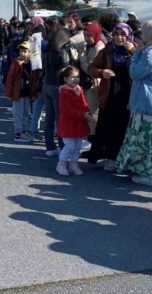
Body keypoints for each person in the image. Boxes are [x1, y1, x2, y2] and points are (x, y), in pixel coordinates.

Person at [116, 20, 152, 186]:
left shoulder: (150, 54)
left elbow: (134, 72)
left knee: (147, 142)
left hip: (148, 104)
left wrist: (135, 54)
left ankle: (149, 175)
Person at [87, 23, 135, 169]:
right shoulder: (107, 50)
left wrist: (133, 51)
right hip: (109, 93)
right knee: (107, 125)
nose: (119, 38)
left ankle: (120, 157)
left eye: (123, 35)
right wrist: (102, 72)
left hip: (128, 94)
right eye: (116, 34)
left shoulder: (134, 49)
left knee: (123, 127)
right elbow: (91, 68)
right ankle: (108, 157)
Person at [42, 19, 74, 156]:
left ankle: (50, 147)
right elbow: (65, 70)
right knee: (60, 118)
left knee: (49, 117)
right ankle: (62, 146)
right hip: (57, 86)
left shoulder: (48, 50)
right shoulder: (63, 52)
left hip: (46, 84)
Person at [56, 65, 90, 176]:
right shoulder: (64, 91)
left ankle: (73, 164)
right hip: (68, 123)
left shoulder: (79, 89)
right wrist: (83, 114)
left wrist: (87, 112)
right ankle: (61, 164)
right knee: (70, 145)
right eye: (72, 77)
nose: (75, 79)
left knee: (78, 146)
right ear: (65, 79)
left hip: (79, 122)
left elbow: (84, 103)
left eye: (77, 77)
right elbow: (67, 109)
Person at [80, 22, 106, 135]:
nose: (86, 38)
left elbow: (89, 69)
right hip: (90, 84)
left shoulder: (98, 48)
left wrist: (81, 58)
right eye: (85, 35)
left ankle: (92, 136)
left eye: (89, 35)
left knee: (93, 111)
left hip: (94, 84)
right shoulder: (92, 46)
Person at [5, 42, 32, 142]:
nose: (23, 53)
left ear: (29, 52)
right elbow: (9, 79)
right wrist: (8, 93)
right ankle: (18, 133)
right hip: (18, 92)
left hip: (27, 92)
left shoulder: (31, 63)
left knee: (26, 113)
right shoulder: (16, 63)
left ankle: (24, 131)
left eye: (25, 51)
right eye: (21, 51)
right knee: (18, 114)